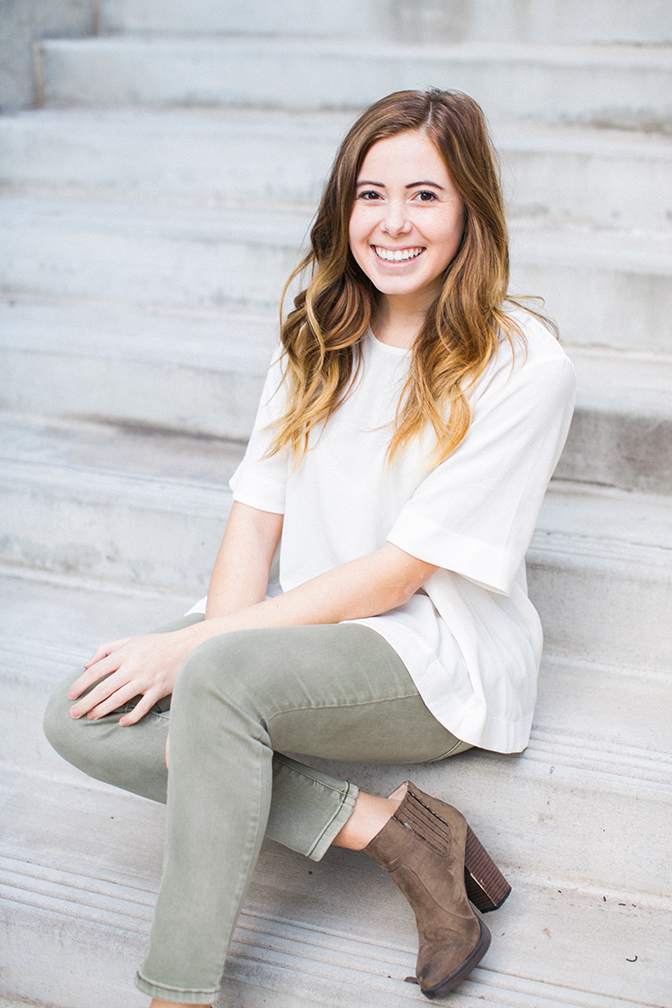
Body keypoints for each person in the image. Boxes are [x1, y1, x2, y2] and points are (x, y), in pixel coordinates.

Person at [44, 88, 576, 1005]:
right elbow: (257, 515)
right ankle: (392, 831)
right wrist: (209, 637)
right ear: (344, 207)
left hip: (434, 650)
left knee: (212, 681)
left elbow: (403, 572)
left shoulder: (526, 366)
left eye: (425, 195)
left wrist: (203, 655)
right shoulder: (319, 331)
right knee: (80, 712)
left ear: (470, 209)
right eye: (370, 195)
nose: (392, 223)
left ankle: (175, 990)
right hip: (306, 623)